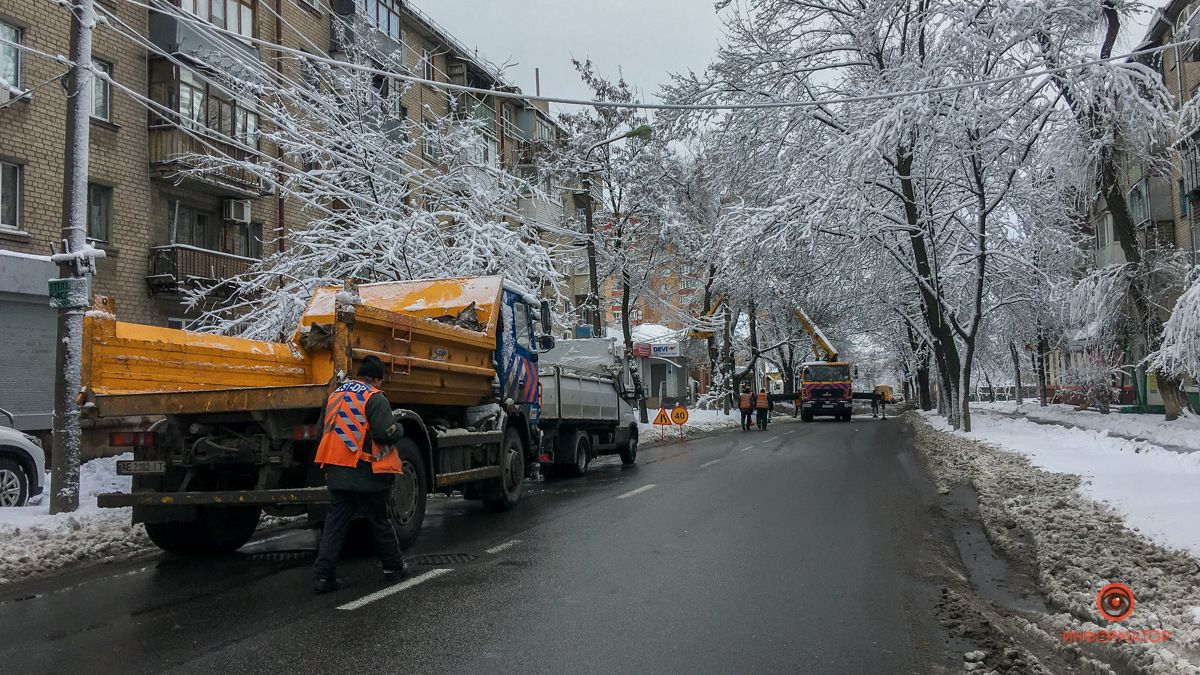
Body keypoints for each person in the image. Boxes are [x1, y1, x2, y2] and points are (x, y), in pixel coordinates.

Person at [312, 355, 408, 594]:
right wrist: (400, 428)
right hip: (366, 473)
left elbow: (319, 432)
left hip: (336, 470)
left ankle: (323, 577)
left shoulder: (335, 395)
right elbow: (385, 432)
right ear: (376, 378)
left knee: (334, 525)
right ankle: (393, 568)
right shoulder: (374, 397)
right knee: (379, 521)